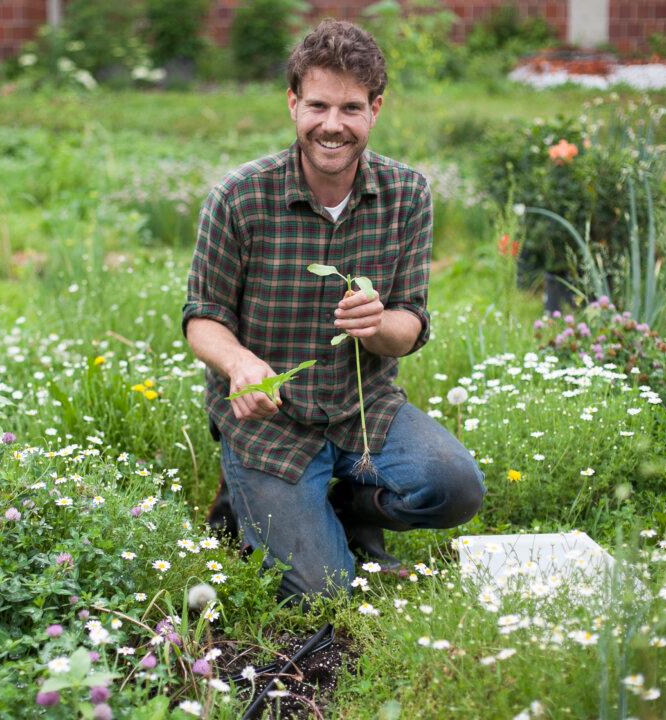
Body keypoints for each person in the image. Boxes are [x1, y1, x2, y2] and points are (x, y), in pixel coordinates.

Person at [181, 19, 485, 601]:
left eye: (351, 108)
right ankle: (251, 499)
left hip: (362, 411)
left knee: (456, 488)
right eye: (317, 105)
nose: (332, 125)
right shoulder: (241, 196)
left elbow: (410, 324)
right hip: (266, 426)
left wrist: (379, 325)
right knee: (324, 591)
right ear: (293, 103)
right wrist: (241, 363)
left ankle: (341, 500)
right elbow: (203, 317)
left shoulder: (407, 194)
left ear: (375, 109)